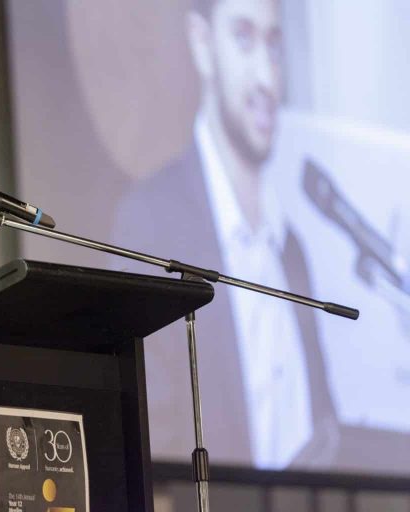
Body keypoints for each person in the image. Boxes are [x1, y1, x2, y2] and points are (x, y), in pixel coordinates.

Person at [112, 0, 338, 469]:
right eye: (243, 37)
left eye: (274, 45)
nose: (267, 78)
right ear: (201, 43)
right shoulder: (150, 222)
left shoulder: (291, 248)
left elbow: (324, 437)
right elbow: (148, 430)